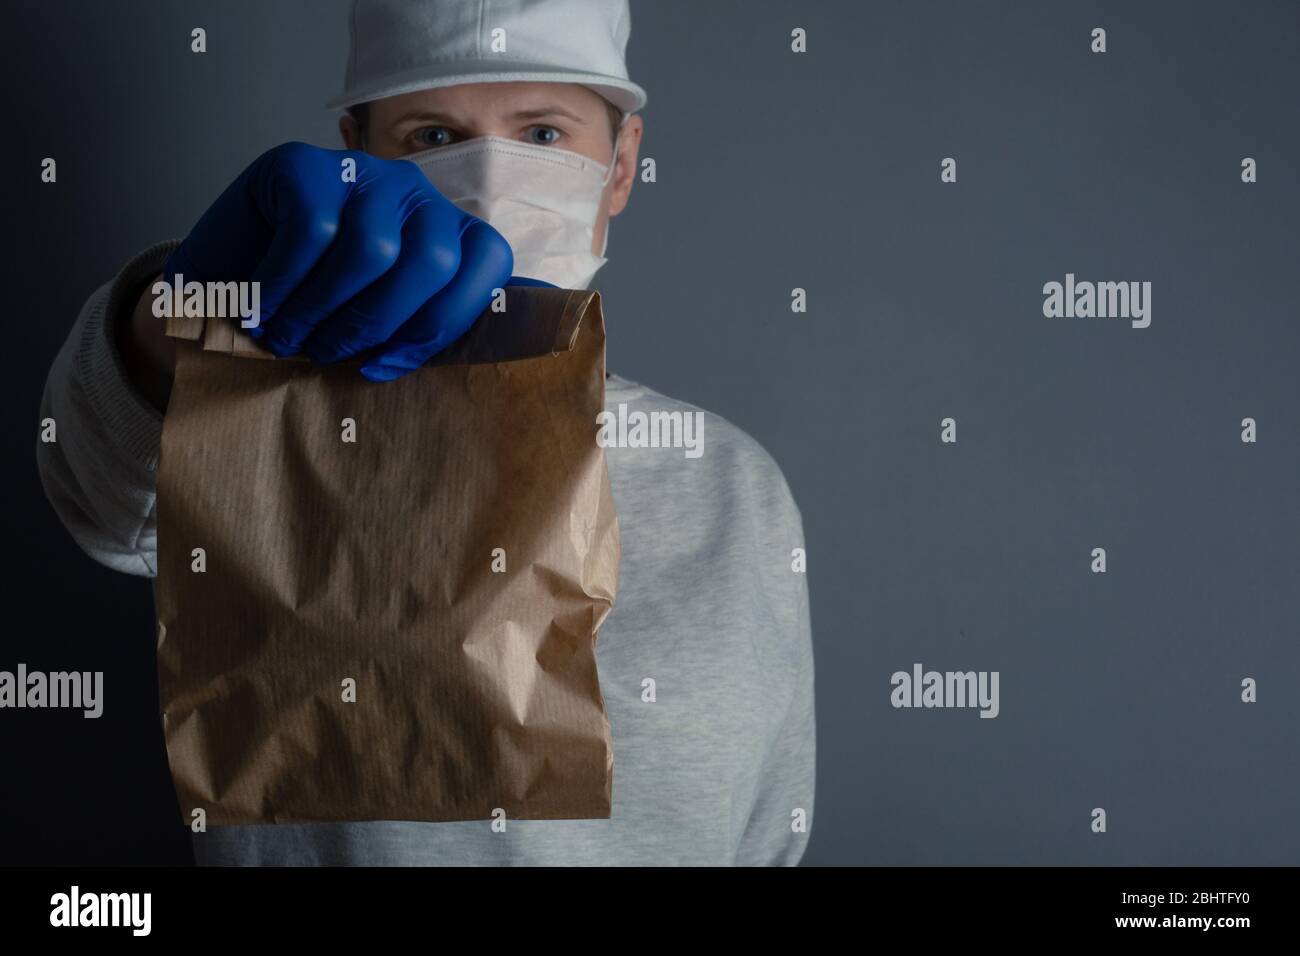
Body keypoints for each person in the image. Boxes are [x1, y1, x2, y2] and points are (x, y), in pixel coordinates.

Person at [36, 0, 815, 865]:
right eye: (433, 136)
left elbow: (766, 835)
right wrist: (177, 316)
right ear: (356, 158)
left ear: (622, 162)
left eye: (544, 136)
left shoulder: (733, 487)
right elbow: (100, 495)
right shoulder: (265, 428)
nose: (487, 183)